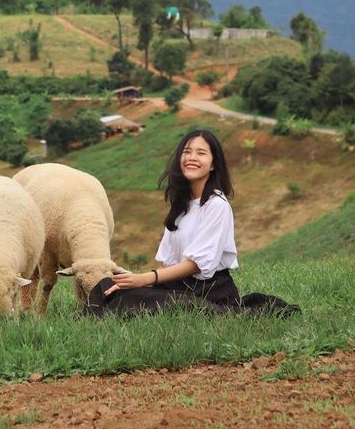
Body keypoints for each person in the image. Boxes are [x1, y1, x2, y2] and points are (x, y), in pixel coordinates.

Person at [84, 128, 299, 317]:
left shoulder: (217, 205)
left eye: (201, 153)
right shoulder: (181, 206)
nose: (192, 157)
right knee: (109, 287)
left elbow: (196, 265)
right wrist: (138, 280)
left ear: (213, 164)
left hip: (209, 290)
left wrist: (145, 279)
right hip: (177, 285)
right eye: (187, 152)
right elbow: (168, 264)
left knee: (153, 303)